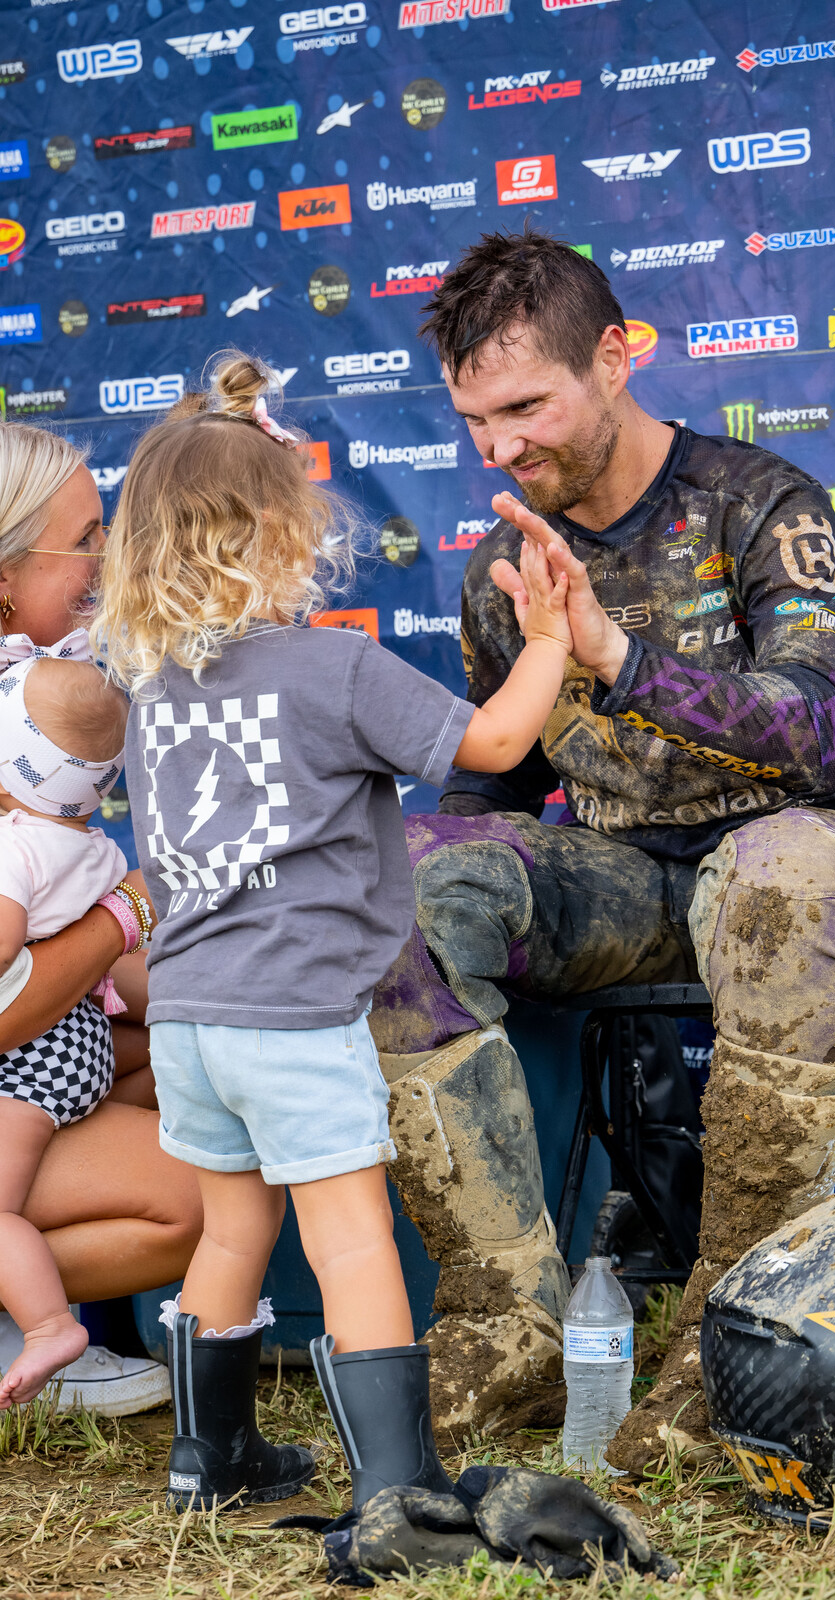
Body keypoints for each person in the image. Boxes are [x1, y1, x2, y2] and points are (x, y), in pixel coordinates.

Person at [366, 229, 835, 1471]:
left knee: (779, 872)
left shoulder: (755, 501)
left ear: (614, 358)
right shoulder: (502, 571)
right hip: (626, 879)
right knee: (400, 878)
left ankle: (729, 1332)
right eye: (472, 421)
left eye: (524, 405)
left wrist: (617, 657)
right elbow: (495, 791)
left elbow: (822, 728)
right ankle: (503, 1318)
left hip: (808, 858)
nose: (499, 449)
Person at [91, 352, 581, 1510]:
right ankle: (400, 1485)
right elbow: (499, 746)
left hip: (194, 1020)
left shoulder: (152, 689)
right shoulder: (336, 665)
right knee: (351, 1237)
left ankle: (206, 1459)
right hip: (299, 1017)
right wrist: (549, 638)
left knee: (230, 1233)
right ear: (281, 533)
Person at [0, 421, 201, 1414]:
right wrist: (128, 913)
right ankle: (27, 1312)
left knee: (195, 1066)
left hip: (41, 1044)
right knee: (189, 1192)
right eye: (82, 539)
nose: (103, 560)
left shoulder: (41, 699)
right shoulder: (38, 715)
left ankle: (23, 1310)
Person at [0, 651, 145, 1407]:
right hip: (80, 1040)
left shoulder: (11, 848)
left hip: (31, 1059)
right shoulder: (93, 844)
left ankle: (49, 1325)